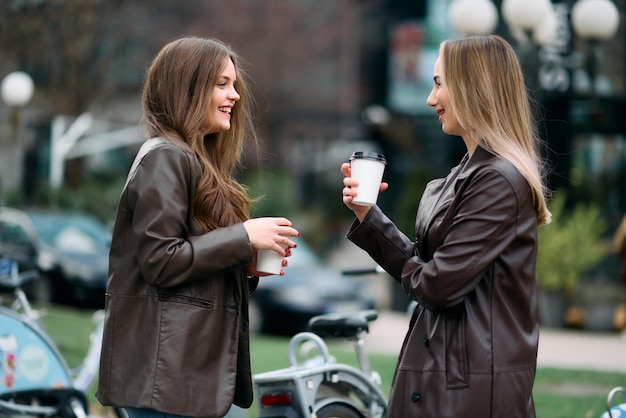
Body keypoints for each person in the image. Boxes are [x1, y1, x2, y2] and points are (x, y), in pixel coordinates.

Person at [341, 34, 551, 417]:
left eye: (439, 84)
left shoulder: (498, 180)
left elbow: (437, 285)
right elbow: (430, 272)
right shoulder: (467, 175)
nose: (430, 99)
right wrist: (368, 216)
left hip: (468, 392)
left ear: (474, 87)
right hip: (446, 379)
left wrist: (418, 268)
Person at [96, 37, 300, 418]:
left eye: (234, 84)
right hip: (166, 379)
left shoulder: (188, 159)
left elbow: (185, 256)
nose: (235, 95)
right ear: (185, 89)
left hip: (183, 375)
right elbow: (161, 260)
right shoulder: (166, 158)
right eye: (222, 83)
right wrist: (243, 236)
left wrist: (244, 263)